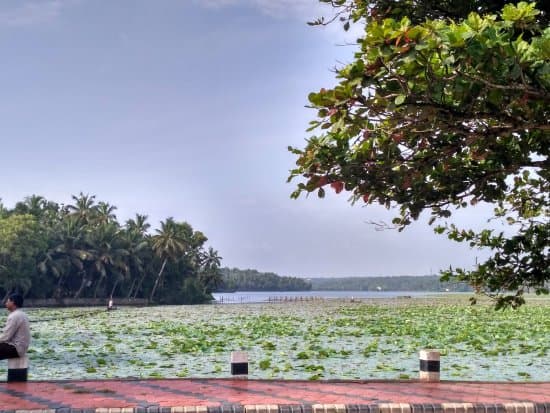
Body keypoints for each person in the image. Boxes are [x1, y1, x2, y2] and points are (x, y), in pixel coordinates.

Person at [0, 293, 30, 360]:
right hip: (21, 348)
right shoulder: (22, 314)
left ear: (12, 302)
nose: (6, 303)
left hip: (15, 348)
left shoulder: (14, 316)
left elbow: (6, 337)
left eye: (7, 301)